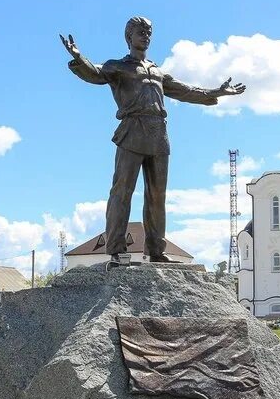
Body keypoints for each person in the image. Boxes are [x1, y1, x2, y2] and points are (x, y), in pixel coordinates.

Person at [60, 16, 246, 263]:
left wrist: (217, 92)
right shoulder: (118, 66)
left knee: (158, 195)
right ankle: (116, 249)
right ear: (129, 37)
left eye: (149, 32)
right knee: (122, 191)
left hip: (159, 134)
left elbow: (186, 91)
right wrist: (78, 57)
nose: (146, 35)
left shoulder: (157, 71)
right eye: (141, 31)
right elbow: (94, 73)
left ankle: (156, 250)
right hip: (132, 130)